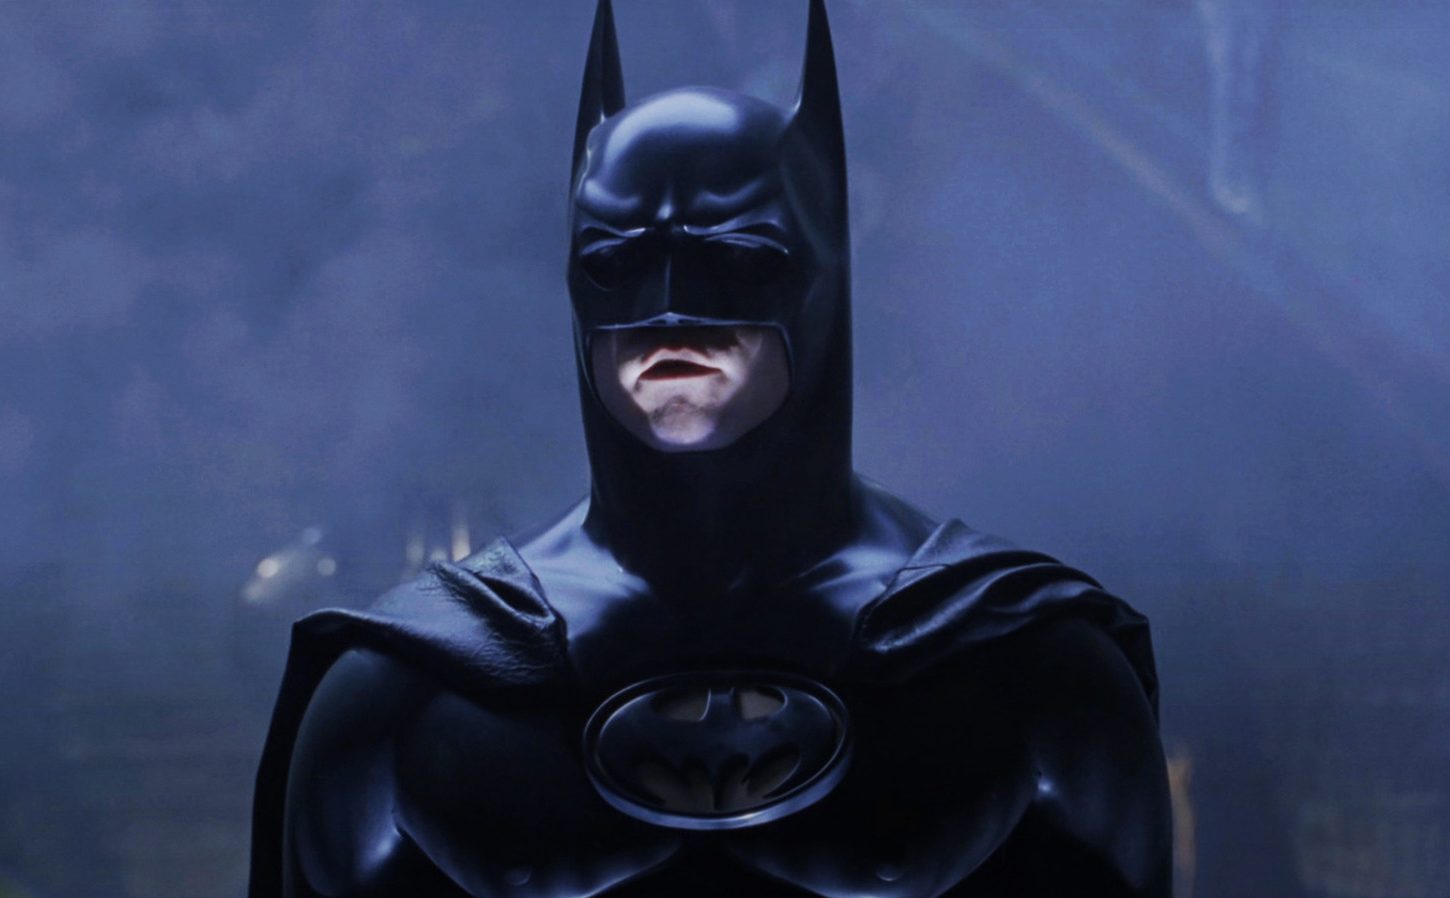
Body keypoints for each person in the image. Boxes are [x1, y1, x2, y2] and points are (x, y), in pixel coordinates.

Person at [249, 1, 1171, 895]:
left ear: (819, 276)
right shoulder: (406, 690)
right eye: (617, 260)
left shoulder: (1032, 666)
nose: (668, 308)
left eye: (734, 254)